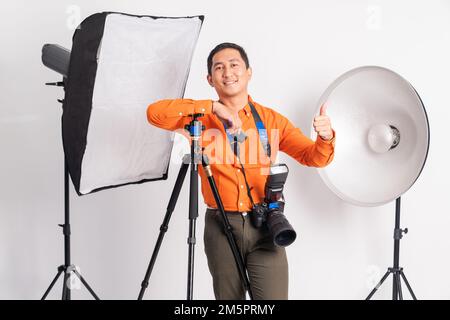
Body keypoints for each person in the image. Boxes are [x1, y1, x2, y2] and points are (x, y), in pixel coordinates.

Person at [147, 42, 335, 300]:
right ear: (210, 79)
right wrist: (212, 107)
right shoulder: (198, 120)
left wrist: (325, 137)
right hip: (221, 226)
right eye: (219, 68)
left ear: (248, 72)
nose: (227, 72)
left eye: (234, 65)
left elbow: (314, 157)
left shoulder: (271, 121)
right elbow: (154, 114)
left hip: (266, 224)